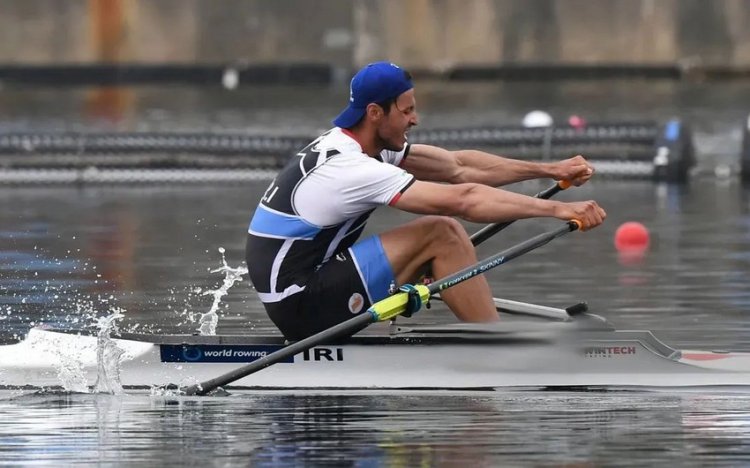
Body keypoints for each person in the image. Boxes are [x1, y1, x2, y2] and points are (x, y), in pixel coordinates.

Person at [246, 61, 606, 341]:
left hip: (303, 284)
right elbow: (464, 201)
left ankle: (488, 337)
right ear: (375, 113)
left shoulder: (359, 145)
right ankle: (500, 348)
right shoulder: (350, 168)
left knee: (440, 240)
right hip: (301, 303)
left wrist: (550, 168)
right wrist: (560, 209)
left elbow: (459, 168)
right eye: (406, 111)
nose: (414, 119)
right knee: (443, 234)